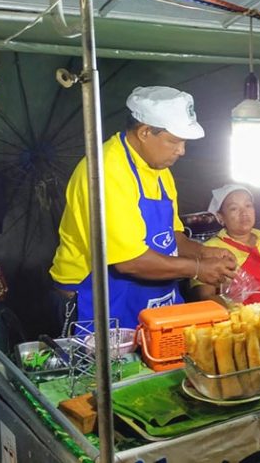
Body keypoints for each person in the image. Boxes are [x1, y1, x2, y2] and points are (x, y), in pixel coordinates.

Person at [49, 86, 236, 333]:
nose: (181, 150)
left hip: (151, 295)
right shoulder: (105, 172)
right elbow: (129, 262)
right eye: (174, 141)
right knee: (108, 370)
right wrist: (198, 268)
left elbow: (173, 236)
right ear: (145, 132)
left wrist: (203, 253)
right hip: (96, 297)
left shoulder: (160, 170)